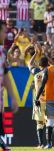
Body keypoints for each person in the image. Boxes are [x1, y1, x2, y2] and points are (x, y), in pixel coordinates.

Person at [0, 21, 18, 151]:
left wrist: (12, 97)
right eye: (3, 31)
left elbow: (5, 75)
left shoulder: (2, 51)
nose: (5, 35)